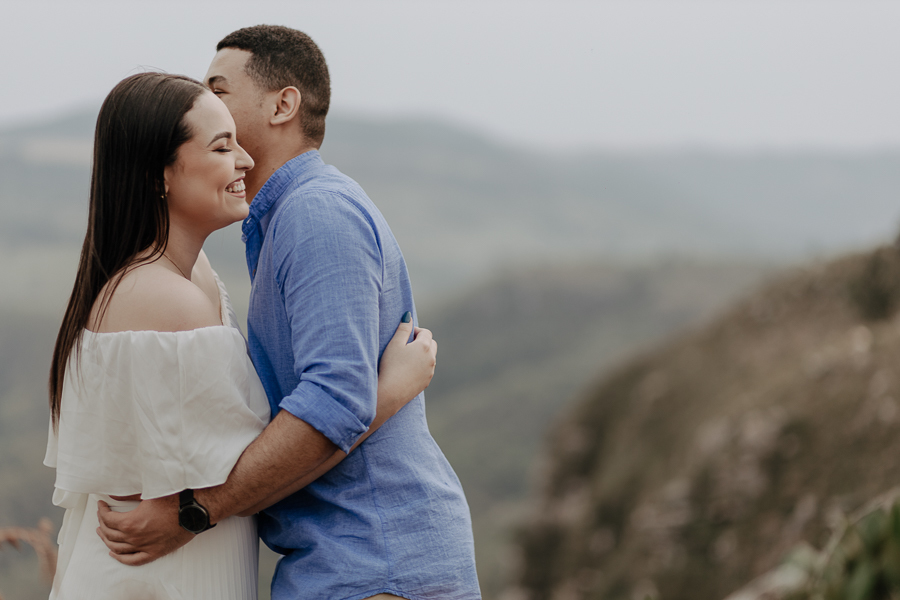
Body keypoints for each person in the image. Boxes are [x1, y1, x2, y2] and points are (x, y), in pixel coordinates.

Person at [97, 25, 482, 600]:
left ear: (283, 104)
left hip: (375, 562)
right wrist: (387, 393)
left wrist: (194, 513)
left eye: (218, 89)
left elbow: (333, 403)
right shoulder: (278, 222)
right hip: (339, 563)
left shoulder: (315, 214)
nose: (203, 103)